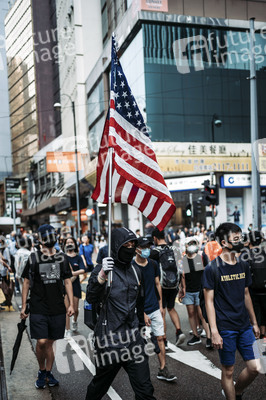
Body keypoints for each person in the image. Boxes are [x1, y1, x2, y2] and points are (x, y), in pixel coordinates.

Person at [86, 227, 156, 400]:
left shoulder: (135, 270)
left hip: (133, 340)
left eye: (133, 244)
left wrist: (142, 330)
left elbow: (139, 304)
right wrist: (101, 275)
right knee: (99, 386)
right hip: (109, 341)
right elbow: (91, 297)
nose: (130, 248)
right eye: (126, 244)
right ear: (117, 246)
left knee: (145, 391)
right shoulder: (103, 269)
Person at [203, 223, 260, 400]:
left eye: (240, 238)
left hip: (244, 326)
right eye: (236, 239)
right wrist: (213, 331)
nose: (240, 241)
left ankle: (237, 391)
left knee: (256, 367)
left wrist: (254, 322)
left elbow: (246, 294)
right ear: (223, 242)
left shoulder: (243, 265)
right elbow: (209, 302)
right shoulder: (212, 268)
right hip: (225, 327)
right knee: (228, 371)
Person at [20, 224, 74, 389]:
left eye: (52, 234)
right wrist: (23, 306)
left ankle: (48, 373)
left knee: (50, 342)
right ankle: (41, 369)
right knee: (42, 341)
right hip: (38, 306)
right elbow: (26, 282)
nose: (50, 238)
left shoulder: (62, 258)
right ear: (40, 238)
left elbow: (67, 281)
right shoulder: (33, 258)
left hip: (57, 307)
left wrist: (71, 304)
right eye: (46, 235)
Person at [133, 236, 176, 381]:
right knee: (141, 343)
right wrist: (143, 312)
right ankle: (141, 375)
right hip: (139, 312)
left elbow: (157, 284)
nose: (147, 250)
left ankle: (163, 369)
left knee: (160, 339)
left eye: (148, 247)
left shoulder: (152, 264)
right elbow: (133, 293)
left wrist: (161, 305)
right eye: (144, 247)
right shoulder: (132, 267)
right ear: (137, 249)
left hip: (155, 308)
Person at [150, 228, 185, 347]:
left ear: (155, 238)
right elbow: (181, 269)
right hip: (174, 284)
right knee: (171, 308)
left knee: (162, 311)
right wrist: (182, 287)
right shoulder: (175, 249)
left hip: (161, 285)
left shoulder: (154, 252)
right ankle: (179, 331)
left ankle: (164, 339)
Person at [179, 237, 211, 348]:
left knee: (202, 314)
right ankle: (196, 336)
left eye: (194, 243)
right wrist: (181, 290)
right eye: (190, 243)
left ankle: (209, 337)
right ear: (186, 246)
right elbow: (183, 277)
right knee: (191, 314)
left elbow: (208, 272)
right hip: (188, 292)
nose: (192, 245)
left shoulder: (201, 257)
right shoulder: (184, 260)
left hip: (200, 291)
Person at [63, 236, 85, 338]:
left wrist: (73, 273)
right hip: (65, 286)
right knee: (67, 308)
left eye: (71, 242)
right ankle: (67, 330)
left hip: (75, 286)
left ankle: (74, 321)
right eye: (67, 243)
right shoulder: (63, 257)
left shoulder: (78, 257)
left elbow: (83, 270)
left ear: (75, 244)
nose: (69, 244)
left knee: (75, 309)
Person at [246, 231, 266, 339]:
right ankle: (263, 337)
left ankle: (256, 349)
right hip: (264, 289)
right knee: (264, 317)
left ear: (249, 241)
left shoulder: (245, 255)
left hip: (251, 291)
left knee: (255, 319)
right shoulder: (264, 253)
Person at [0, 235, 13, 308]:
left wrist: (7, 266)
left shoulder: (6, 250)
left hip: (5, 271)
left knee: (7, 287)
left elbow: (7, 260)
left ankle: (8, 301)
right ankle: (7, 301)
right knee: (4, 287)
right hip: (3, 270)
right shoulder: (2, 249)